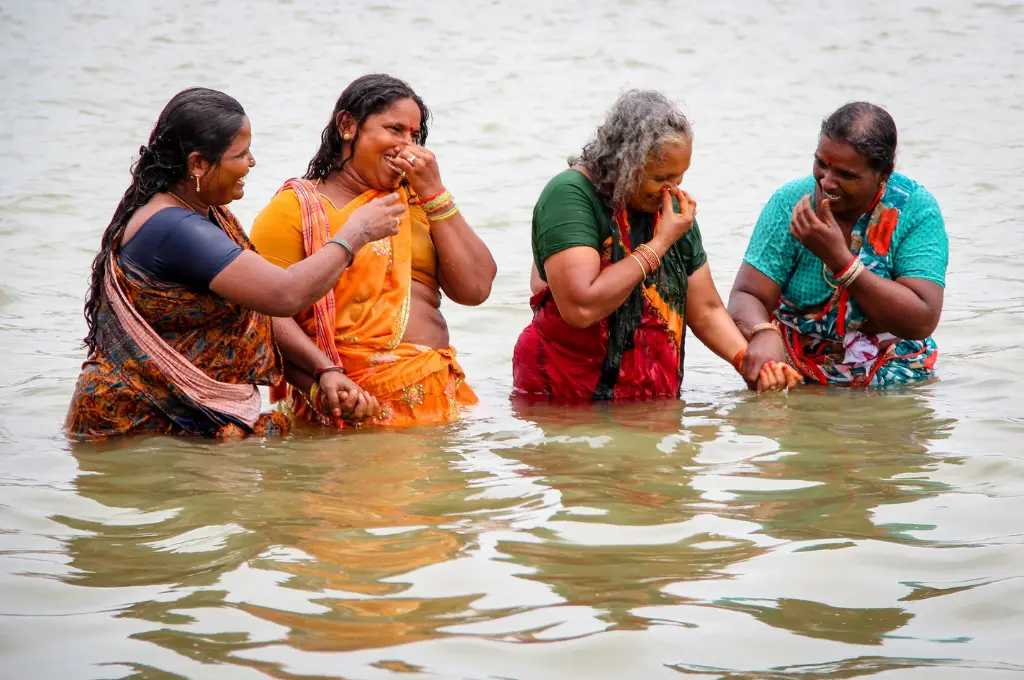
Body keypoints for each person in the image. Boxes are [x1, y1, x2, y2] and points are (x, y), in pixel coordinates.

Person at [65, 87, 404, 439]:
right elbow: (283, 294)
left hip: (178, 419)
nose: (251, 163)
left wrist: (324, 371)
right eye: (240, 154)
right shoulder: (172, 228)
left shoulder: (205, 215)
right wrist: (356, 233)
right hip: (133, 429)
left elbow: (260, 308)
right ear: (198, 164)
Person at [512, 89, 800, 401]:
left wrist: (749, 363)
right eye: (661, 177)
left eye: (680, 176)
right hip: (562, 393)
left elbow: (706, 308)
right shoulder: (570, 195)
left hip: (649, 401)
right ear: (625, 162)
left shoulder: (672, 211)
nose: (673, 189)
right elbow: (581, 307)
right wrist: (660, 243)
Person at [250, 74, 496, 428]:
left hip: (438, 401)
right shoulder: (297, 208)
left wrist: (435, 193)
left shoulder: (418, 202)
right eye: (394, 129)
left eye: (414, 135)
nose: (406, 145)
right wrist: (325, 374)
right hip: (347, 404)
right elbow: (265, 311)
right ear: (348, 126)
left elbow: (476, 290)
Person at [728, 102, 948, 387]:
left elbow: (922, 319)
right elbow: (747, 294)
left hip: (891, 369)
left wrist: (841, 262)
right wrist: (762, 332)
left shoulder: (915, 211)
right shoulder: (792, 202)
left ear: (883, 174)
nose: (827, 182)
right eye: (821, 164)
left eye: (846, 175)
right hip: (795, 365)